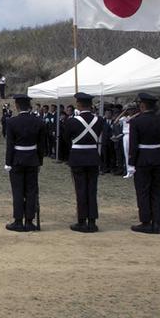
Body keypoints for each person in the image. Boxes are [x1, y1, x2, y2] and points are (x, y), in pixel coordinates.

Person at [127, 93, 160, 233]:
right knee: (156, 191)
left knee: (143, 191)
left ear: (142, 105)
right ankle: (157, 222)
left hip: (142, 159)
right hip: (158, 157)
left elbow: (133, 145)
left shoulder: (136, 121)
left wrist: (131, 163)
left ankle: (146, 221)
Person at [4, 94, 46, 232]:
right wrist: (39, 161)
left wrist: (8, 163)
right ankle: (29, 221)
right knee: (31, 191)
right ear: (29, 107)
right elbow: (41, 145)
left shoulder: (11, 122)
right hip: (32, 159)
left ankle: (18, 221)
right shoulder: (38, 121)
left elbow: (10, 145)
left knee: (18, 191)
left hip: (17, 159)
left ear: (17, 106)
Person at [63, 93, 102, 233]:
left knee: (80, 190)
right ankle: (92, 221)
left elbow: (66, 139)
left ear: (78, 105)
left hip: (78, 157)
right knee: (92, 190)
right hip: (92, 157)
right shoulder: (99, 120)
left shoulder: (71, 121)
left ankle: (82, 220)